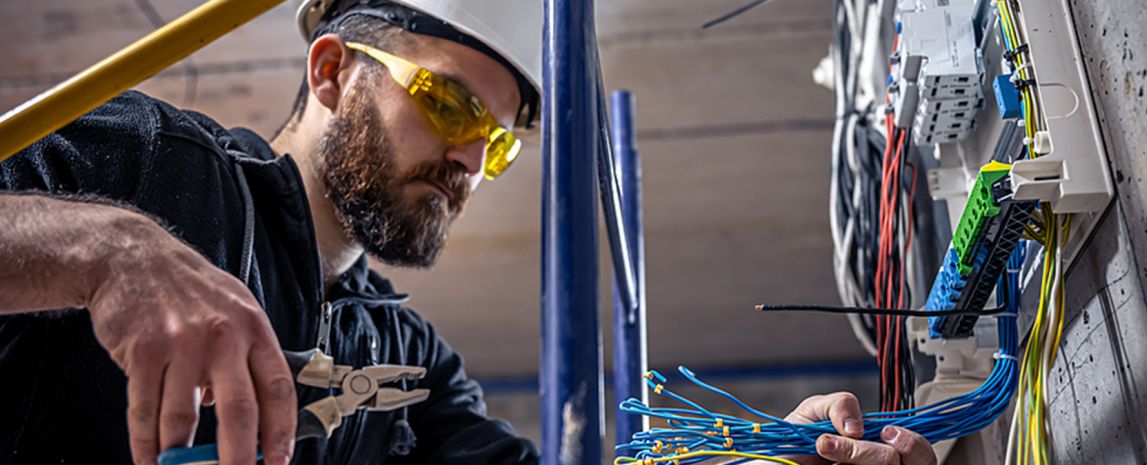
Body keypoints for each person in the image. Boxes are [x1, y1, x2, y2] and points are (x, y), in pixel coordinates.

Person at [0, 1, 937, 464]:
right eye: (447, 101)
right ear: (330, 72)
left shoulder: (407, 363)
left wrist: (768, 454)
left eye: (495, 141)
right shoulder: (155, 167)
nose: (467, 156)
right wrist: (107, 251)